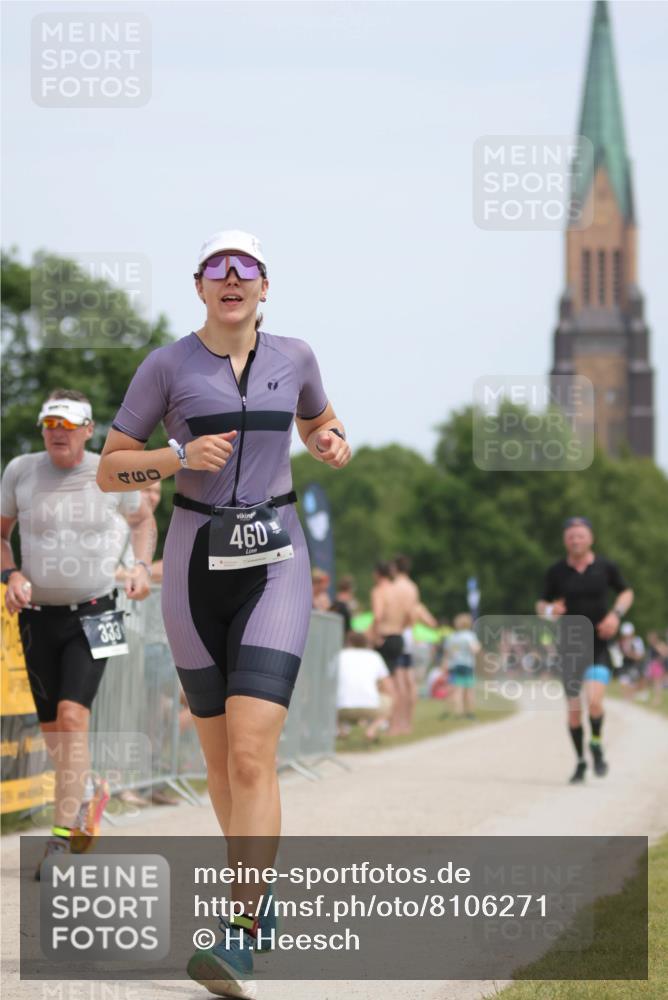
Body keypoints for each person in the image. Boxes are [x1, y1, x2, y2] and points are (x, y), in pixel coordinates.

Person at [96, 229, 351, 997]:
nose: (232, 278)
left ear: (265, 288)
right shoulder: (167, 366)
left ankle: (238, 932)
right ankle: (259, 890)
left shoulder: (296, 357)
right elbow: (111, 468)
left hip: (276, 560)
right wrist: (178, 459)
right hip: (193, 565)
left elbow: (320, 421)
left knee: (250, 753)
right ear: (200, 287)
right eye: (218, 269)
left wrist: (332, 439)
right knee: (215, 763)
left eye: (246, 269)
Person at [0, 389, 154, 875]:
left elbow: (142, 520)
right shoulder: (21, 471)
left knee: (71, 718)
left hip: (97, 610)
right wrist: (10, 575)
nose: (56, 434)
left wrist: (142, 568)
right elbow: (1, 535)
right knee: (53, 732)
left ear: (89, 430)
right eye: (49, 424)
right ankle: (86, 794)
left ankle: (61, 840)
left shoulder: (111, 472)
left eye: (67, 426)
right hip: (36, 615)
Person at [536, 516, 633, 784]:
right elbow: (541, 603)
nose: (575, 540)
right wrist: (548, 610)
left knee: (594, 701)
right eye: (570, 536)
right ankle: (580, 761)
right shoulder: (556, 572)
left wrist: (615, 616)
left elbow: (626, 593)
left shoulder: (605, 567)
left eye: (580, 535)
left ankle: (597, 744)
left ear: (590, 537)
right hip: (569, 646)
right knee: (574, 710)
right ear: (565, 540)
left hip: (598, 644)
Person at [390, 555, 437, 734]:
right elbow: (415, 611)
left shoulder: (395, 587)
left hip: (399, 631)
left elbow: (401, 612)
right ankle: (407, 723)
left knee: (398, 683)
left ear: (395, 568)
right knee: (410, 682)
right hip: (411, 634)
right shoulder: (412, 587)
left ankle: (396, 723)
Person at [336, 632, 393, 743]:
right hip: (370, 707)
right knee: (390, 700)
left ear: (348, 642)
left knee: (332, 698)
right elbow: (388, 686)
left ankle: (341, 729)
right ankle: (372, 730)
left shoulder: (340, 655)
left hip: (341, 708)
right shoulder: (375, 656)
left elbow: (328, 681)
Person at [444, 612, 481, 719]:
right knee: (469, 690)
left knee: (458, 690)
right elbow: (474, 649)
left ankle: (458, 712)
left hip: (456, 665)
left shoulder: (452, 636)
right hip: (467, 665)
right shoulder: (469, 635)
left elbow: (448, 652)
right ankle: (470, 712)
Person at [618, 622, 645, 700]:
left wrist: (630, 654)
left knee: (632, 682)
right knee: (623, 681)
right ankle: (625, 698)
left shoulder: (637, 641)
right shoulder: (621, 642)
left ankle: (629, 698)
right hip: (624, 664)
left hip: (634, 665)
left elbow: (640, 655)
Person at [645, 630, 668, 707]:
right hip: (653, 665)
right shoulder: (653, 645)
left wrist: (659, 659)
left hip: (657, 665)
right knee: (653, 683)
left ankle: (657, 699)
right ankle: (655, 698)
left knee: (657, 683)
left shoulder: (658, 645)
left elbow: (665, 652)